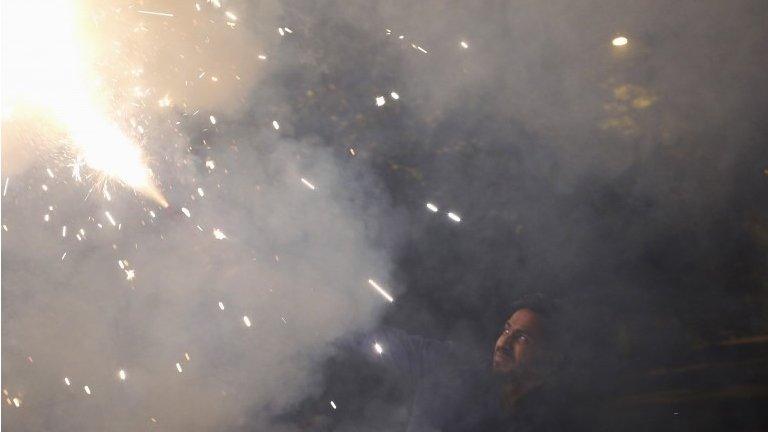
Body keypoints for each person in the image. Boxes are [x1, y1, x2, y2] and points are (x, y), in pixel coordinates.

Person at [356, 293, 577, 431]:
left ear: (550, 358)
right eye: (506, 329)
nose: (503, 343)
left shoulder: (550, 422)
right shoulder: (451, 365)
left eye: (522, 338)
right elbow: (387, 342)